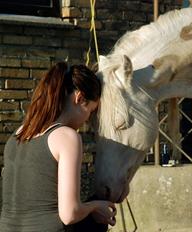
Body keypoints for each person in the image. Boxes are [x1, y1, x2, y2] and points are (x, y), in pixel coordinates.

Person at [0, 62, 116, 232]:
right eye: (90, 111)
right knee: (96, 219)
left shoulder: (16, 135)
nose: (86, 121)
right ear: (79, 98)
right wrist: (96, 206)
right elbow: (69, 214)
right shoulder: (67, 137)